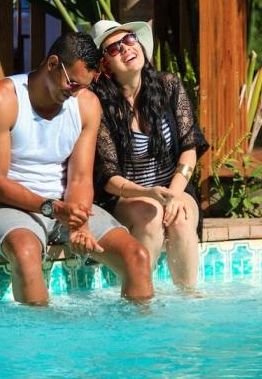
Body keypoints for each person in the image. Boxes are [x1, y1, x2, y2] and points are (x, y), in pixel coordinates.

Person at [0, 32, 153, 305]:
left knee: (136, 257)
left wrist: (80, 223)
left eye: (84, 86)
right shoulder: (2, 99)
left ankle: (137, 332)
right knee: (26, 253)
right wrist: (51, 208)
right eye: (72, 84)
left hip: (65, 208)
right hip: (7, 207)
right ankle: (41, 332)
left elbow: (80, 177)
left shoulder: (85, 103)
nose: (75, 93)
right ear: (52, 64)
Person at [89, 20, 209, 289]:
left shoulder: (169, 86)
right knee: (151, 214)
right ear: (105, 65)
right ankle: (140, 295)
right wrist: (148, 194)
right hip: (126, 196)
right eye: (114, 48)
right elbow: (108, 177)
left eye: (129, 40)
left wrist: (173, 194)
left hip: (173, 187)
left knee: (182, 217)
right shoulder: (100, 106)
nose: (126, 49)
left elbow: (189, 148)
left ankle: (188, 297)